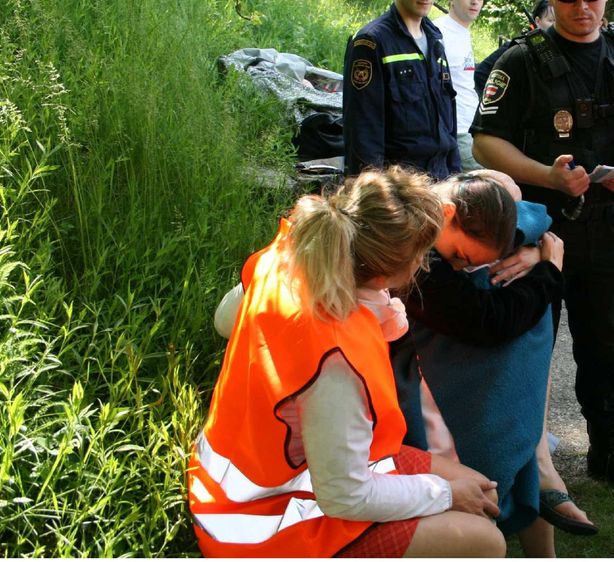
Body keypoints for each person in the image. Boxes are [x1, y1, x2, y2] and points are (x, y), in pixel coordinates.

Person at [188, 167, 505, 558]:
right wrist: (444, 494)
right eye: (422, 255)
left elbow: (224, 322)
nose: (424, 265)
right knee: (486, 540)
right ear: (391, 268)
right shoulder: (337, 350)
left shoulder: (291, 254)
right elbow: (346, 498)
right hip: (261, 527)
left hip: (252, 482)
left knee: (479, 493)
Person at [472, 0, 614, 492]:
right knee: (523, 343)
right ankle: (511, 459)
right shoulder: (522, 61)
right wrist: (547, 175)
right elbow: (486, 143)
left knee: (608, 346)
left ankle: (609, 451)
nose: (583, 6)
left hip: (606, 231)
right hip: (537, 228)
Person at [402, 171, 596, 557]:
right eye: (460, 257)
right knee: (510, 331)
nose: (458, 266)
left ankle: (537, 463)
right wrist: (547, 269)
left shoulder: (453, 218)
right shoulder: (416, 255)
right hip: (417, 370)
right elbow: (488, 323)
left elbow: (532, 213)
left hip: (456, 349)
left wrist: (535, 249)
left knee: (516, 312)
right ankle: (536, 467)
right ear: (446, 211)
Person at [342, 0, 459, 179]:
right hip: (400, 186)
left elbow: (448, 118)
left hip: (441, 177)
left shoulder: (435, 38)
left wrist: (456, 173)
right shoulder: (372, 42)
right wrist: (373, 196)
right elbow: (363, 129)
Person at [434, 0, 487, 170]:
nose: (475, 1)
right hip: (457, 131)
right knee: (496, 187)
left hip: (474, 128)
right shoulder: (438, 32)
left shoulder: (463, 32)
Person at [474, 0, 555, 92]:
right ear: (537, 21)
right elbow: (480, 74)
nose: (555, 25)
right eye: (551, 20)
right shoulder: (517, 47)